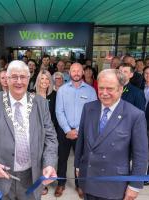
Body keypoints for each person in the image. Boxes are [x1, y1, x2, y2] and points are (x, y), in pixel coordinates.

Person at [0, 60, 58, 200]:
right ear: (7, 78)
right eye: (14, 77)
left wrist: (49, 163)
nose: (19, 81)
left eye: (23, 77)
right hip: (2, 176)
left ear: (29, 78)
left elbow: (51, 138)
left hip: (32, 176)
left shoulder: (40, 103)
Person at [75, 69, 149, 200]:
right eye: (101, 88)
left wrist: (134, 186)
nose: (104, 93)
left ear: (120, 89)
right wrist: (77, 166)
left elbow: (141, 156)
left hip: (114, 185)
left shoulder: (135, 115)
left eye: (109, 89)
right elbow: (81, 141)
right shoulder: (88, 108)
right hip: (88, 178)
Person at [55, 63, 97, 198]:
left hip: (82, 132)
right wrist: (67, 130)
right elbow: (59, 111)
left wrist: (78, 130)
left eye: (79, 70)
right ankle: (60, 183)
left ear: (83, 72)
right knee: (62, 158)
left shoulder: (90, 91)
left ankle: (80, 185)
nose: (76, 73)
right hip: (64, 131)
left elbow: (92, 113)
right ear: (70, 72)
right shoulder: (62, 90)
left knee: (81, 160)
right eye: (74, 70)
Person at [35, 69, 55, 195]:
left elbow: (56, 115)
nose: (44, 81)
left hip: (49, 133)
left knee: (47, 158)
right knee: (36, 159)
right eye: (42, 78)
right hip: (35, 133)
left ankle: (44, 182)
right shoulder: (31, 95)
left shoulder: (55, 95)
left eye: (47, 78)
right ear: (38, 80)